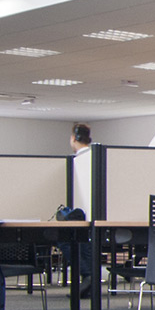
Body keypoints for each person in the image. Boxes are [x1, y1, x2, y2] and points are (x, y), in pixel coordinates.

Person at [68, 123, 93, 295]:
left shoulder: (78, 161)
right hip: (96, 214)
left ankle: (88, 275)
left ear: (73, 138)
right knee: (84, 243)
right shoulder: (96, 156)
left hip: (83, 215)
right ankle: (88, 276)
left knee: (66, 239)